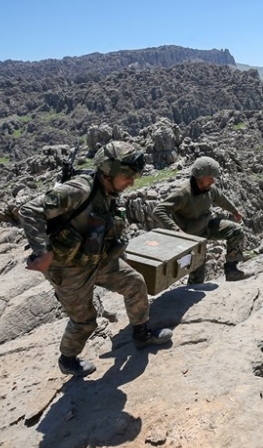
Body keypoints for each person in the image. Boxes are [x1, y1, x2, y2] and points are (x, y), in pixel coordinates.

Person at [19, 141, 173, 377]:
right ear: (108, 172)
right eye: (126, 176)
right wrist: (43, 252)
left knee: (135, 283)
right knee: (85, 321)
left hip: (97, 259)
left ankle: (141, 334)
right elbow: (30, 210)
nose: (131, 182)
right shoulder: (79, 190)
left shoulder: (108, 191)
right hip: (69, 269)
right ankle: (68, 360)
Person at [153, 156, 249, 283]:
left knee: (236, 230)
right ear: (200, 176)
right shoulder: (183, 192)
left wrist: (235, 212)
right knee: (198, 274)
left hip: (206, 227)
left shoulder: (209, 189)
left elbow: (221, 199)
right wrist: (176, 230)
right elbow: (159, 211)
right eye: (210, 178)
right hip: (190, 238)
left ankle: (231, 270)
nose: (213, 181)